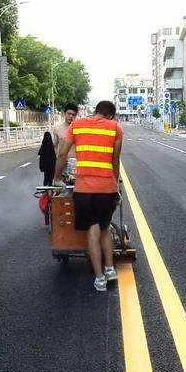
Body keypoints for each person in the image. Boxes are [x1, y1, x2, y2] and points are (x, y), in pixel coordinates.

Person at [54, 100, 123, 292]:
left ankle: (100, 279)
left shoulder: (77, 125)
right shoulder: (115, 128)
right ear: (110, 115)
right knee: (105, 228)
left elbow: (62, 154)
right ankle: (110, 270)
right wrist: (114, 185)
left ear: (96, 112)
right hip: (107, 189)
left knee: (92, 232)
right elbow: (115, 161)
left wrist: (57, 177)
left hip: (84, 189)